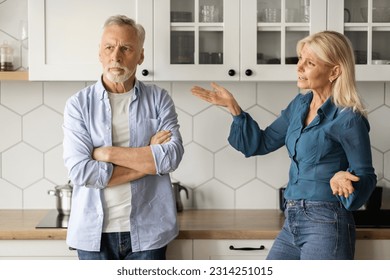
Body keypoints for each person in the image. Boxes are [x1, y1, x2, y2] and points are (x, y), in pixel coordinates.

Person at [191, 30, 376, 260]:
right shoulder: (300, 105)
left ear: (335, 71)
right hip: (293, 219)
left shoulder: (348, 118)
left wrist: (343, 176)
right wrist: (233, 108)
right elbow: (261, 143)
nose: (299, 67)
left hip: (327, 223)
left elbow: (366, 176)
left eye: (309, 63)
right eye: (300, 59)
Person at [63, 15, 184, 260]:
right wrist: (149, 160)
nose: (116, 56)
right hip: (93, 234)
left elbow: (170, 158)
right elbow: (80, 172)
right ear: (99, 52)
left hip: (150, 231)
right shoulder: (78, 105)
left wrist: (106, 154)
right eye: (109, 47)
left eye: (126, 48)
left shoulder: (159, 99)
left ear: (140, 56)